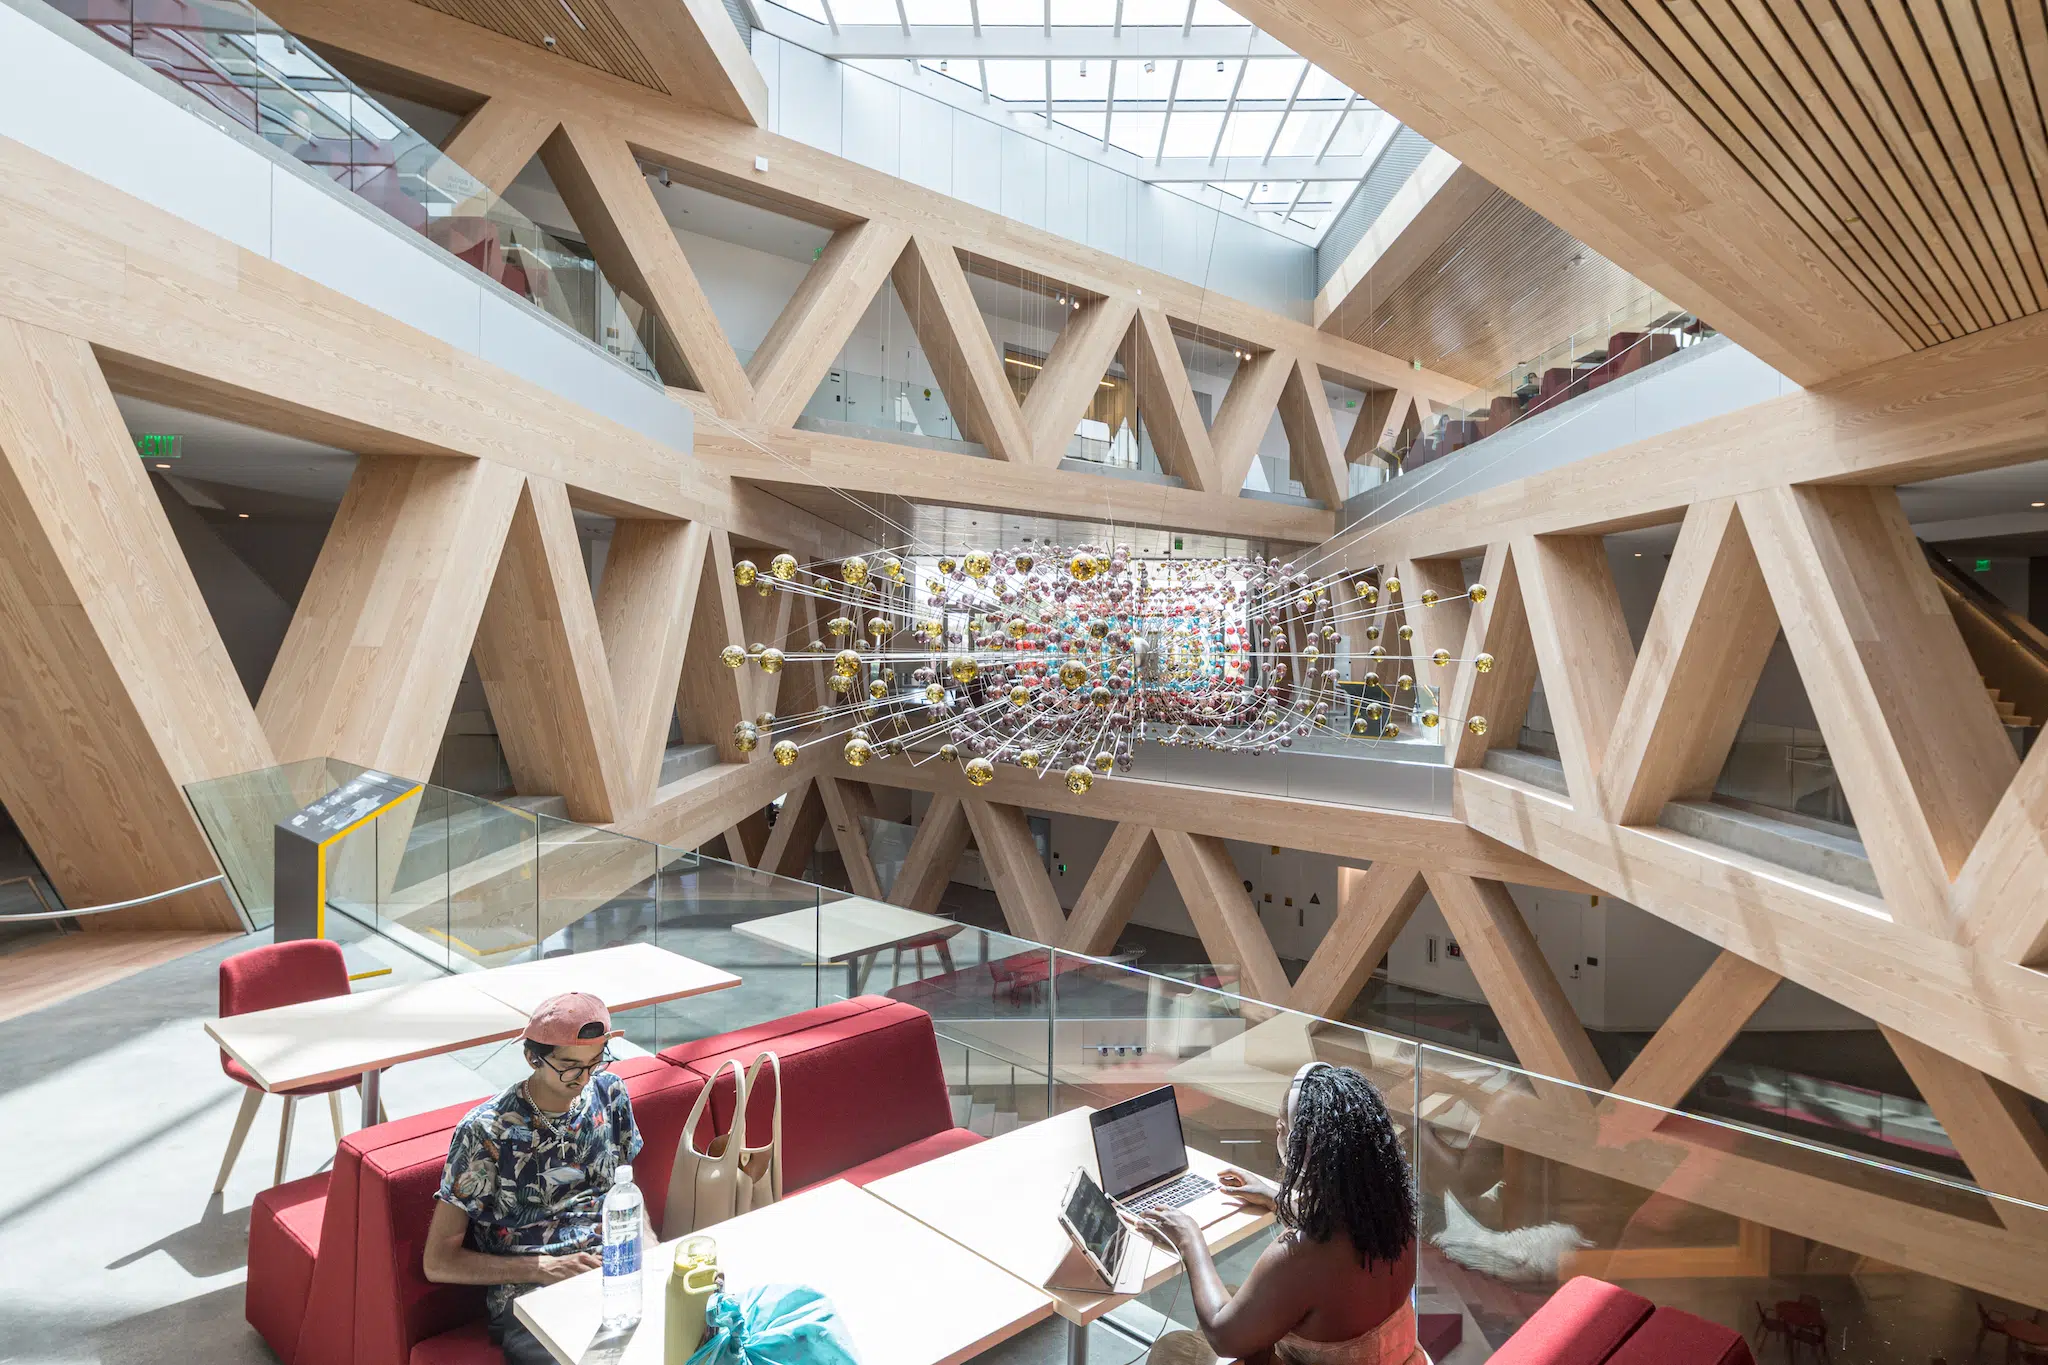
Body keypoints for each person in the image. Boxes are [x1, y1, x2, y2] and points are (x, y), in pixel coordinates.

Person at [1140, 1062, 1422, 1365]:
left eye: (1284, 1129)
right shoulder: (1394, 1214)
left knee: (1173, 1350)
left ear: (1305, 1150)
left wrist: (1190, 1240)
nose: (1278, 1132)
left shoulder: (1298, 1255)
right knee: (1237, 1296)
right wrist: (1277, 1198)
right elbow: (1341, 1239)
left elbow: (1223, 1337)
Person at [424, 992, 643, 1365]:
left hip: (612, 1270)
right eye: (570, 1066)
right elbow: (438, 1261)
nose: (585, 1077)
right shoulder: (486, 1131)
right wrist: (543, 1269)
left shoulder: (610, 1093)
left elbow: (626, 1190)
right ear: (532, 1057)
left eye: (597, 1061)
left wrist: (647, 1248)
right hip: (531, 1293)